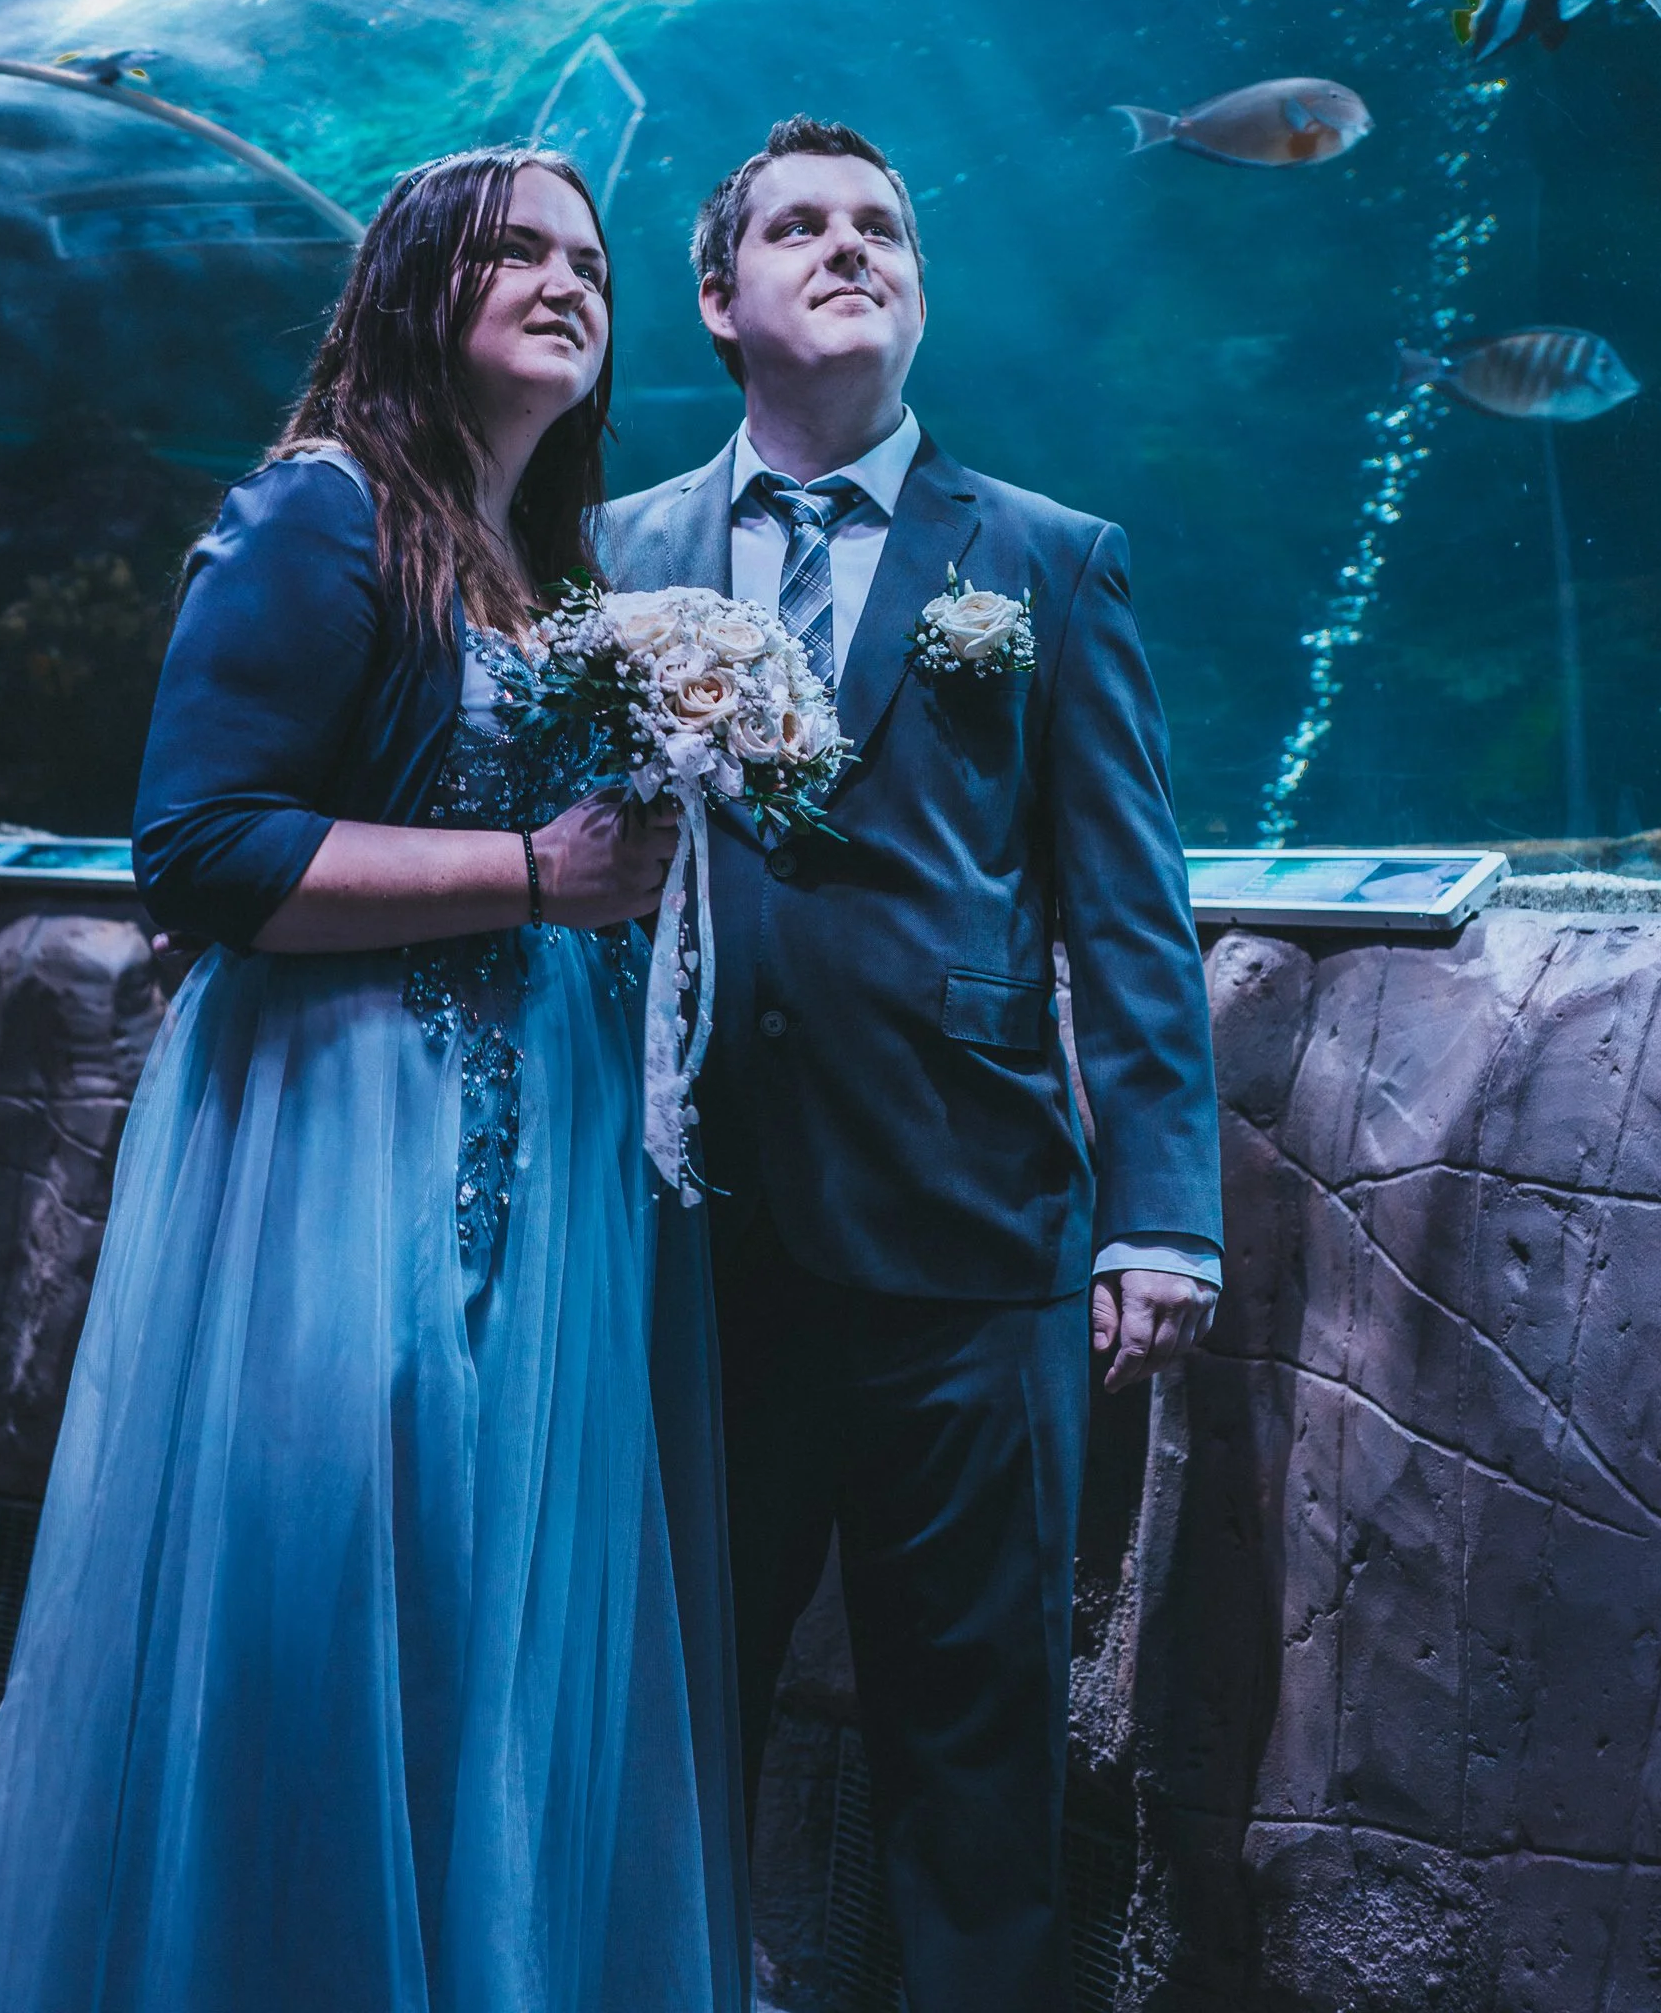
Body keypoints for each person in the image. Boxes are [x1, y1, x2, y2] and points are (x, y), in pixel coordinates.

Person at [0, 148, 749, 2013]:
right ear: (415, 282)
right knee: (330, 1584)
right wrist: (536, 875)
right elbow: (205, 850)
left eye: (592, 263)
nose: (571, 282)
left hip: (529, 1149)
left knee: (485, 1598)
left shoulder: (546, 566)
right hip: (338, 1132)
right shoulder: (321, 511)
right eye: (521, 253)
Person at [602, 115, 1223, 2013]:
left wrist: (1163, 1220)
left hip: (972, 1241)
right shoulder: (614, 555)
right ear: (719, 298)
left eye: (882, 225)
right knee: (668, 1710)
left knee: (974, 1748)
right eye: (798, 225)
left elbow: (1128, 913)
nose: (849, 247)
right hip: (688, 1240)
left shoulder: (1041, 560)